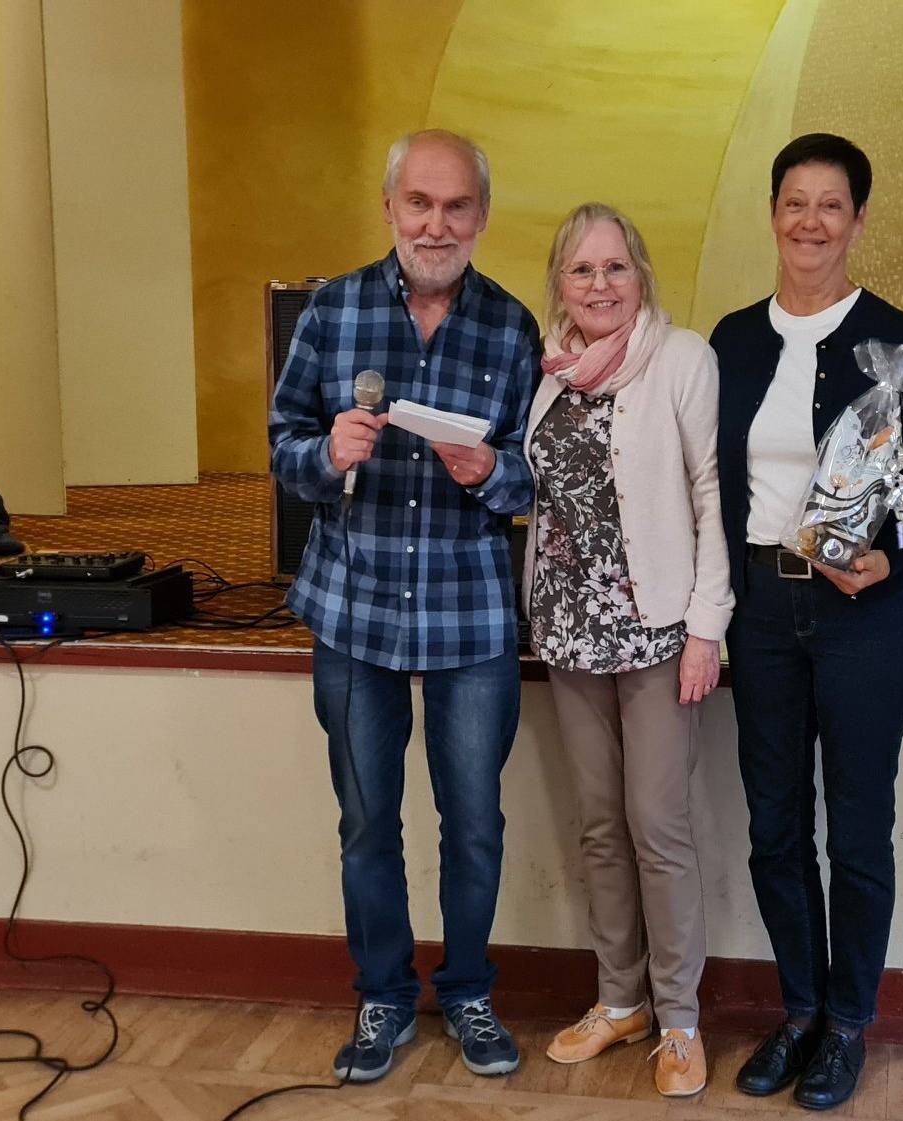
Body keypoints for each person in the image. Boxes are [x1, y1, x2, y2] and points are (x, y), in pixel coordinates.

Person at [269, 129, 540, 1084]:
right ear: (389, 207)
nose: (436, 224)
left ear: (481, 216)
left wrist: (493, 470)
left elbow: (535, 477)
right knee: (365, 821)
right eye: (419, 202)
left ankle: (467, 991)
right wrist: (324, 453)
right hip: (354, 608)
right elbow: (282, 444)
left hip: (469, 615)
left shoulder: (511, 327)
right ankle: (382, 993)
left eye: (456, 205)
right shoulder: (332, 310)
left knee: (474, 823)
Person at [709, 134, 903, 1110]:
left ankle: (848, 1021)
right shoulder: (733, 339)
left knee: (855, 830)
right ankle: (800, 1010)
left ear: (857, 221)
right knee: (773, 826)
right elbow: (709, 476)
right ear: (772, 213)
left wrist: (889, 558)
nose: (808, 221)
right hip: (763, 610)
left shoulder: (894, 338)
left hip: (864, 614)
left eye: (829, 205)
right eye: (793, 202)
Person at [522, 203, 733, 1098]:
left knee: (658, 827)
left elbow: (711, 493)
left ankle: (679, 1019)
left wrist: (706, 626)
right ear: (559, 283)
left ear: (640, 273)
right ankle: (620, 1000)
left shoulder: (680, 358)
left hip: (655, 631)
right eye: (581, 269)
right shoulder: (548, 371)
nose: (599, 284)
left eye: (614, 266)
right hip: (569, 632)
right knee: (600, 827)